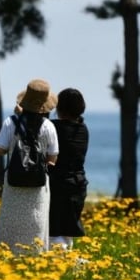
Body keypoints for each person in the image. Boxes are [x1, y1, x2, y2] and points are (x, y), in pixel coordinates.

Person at [0, 79, 59, 254]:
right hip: (38, 185)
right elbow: (52, 158)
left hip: (14, 181)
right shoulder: (49, 126)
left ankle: (5, 254)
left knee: (10, 220)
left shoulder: (11, 122)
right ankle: (34, 255)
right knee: (36, 220)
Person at [48, 88, 89, 250]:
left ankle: (58, 266)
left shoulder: (54, 127)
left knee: (53, 232)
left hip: (58, 185)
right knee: (67, 232)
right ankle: (67, 267)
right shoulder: (83, 129)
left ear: (60, 107)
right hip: (78, 185)